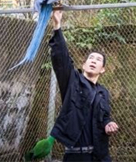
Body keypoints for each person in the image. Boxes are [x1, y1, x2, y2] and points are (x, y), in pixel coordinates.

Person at [49, 9, 118, 162]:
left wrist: (108, 124)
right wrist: (57, 25)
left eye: (98, 60)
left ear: (103, 69)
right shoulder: (72, 81)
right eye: (91, 58)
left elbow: (104, 117)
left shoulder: (103, 92)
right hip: (76, 155)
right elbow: (61, 58)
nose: (93, 60)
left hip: (101, 155)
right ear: (84, 64)